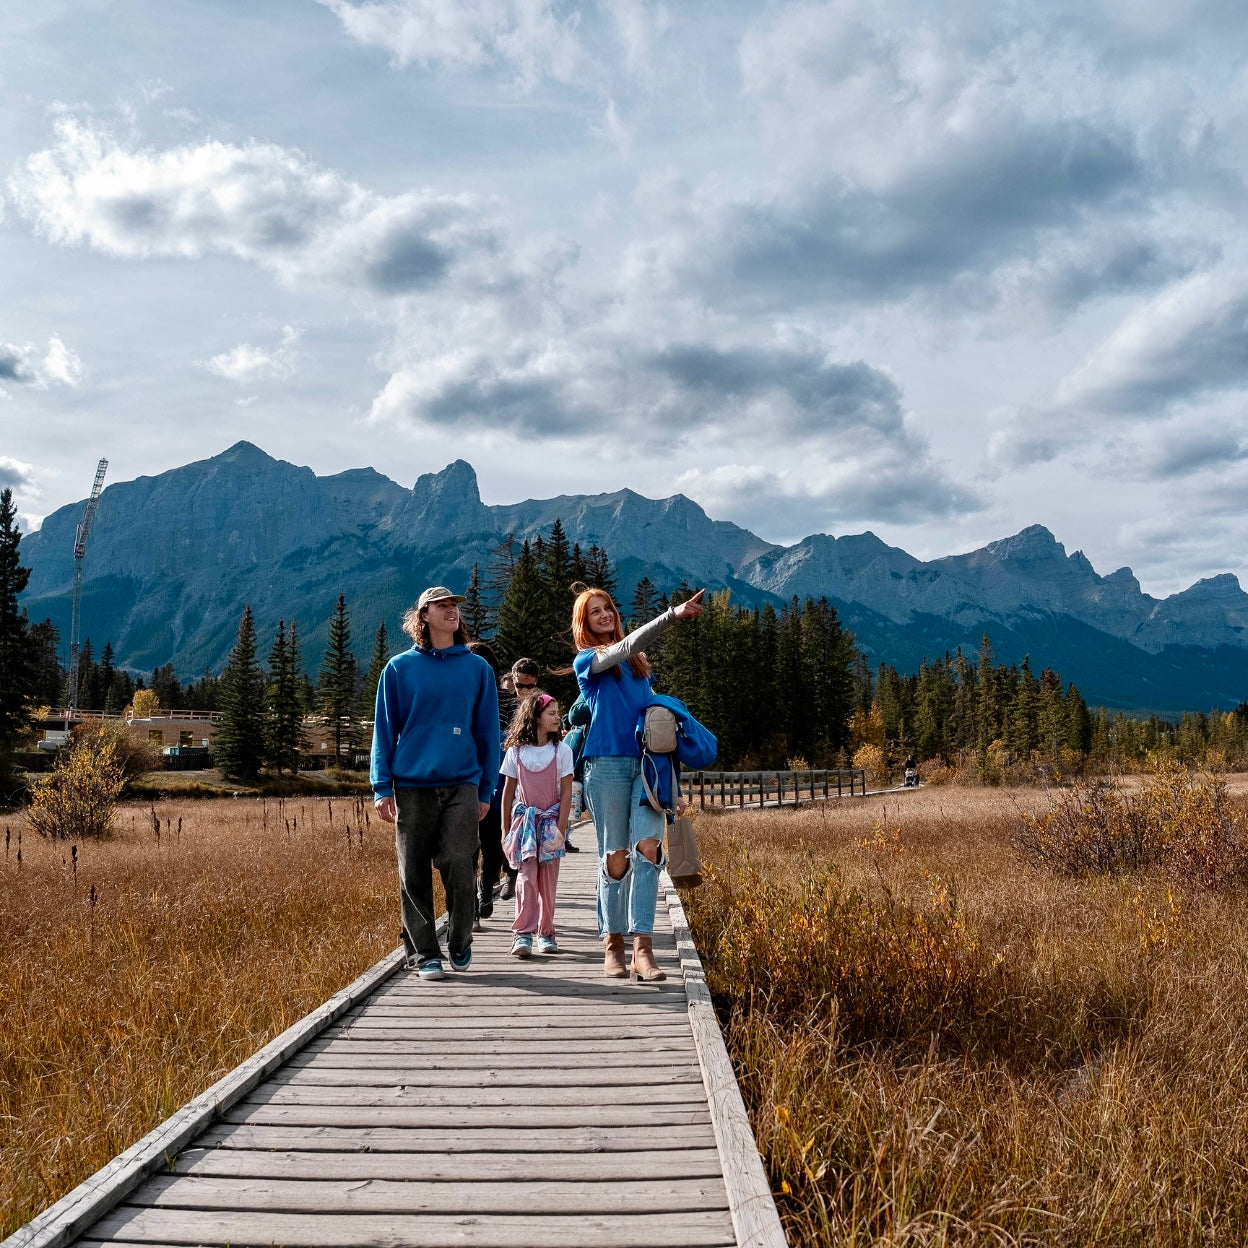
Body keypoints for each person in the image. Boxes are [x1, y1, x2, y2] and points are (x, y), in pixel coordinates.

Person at [573, 586, 705, 981]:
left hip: (648, 767)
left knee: (648, 850)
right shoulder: (588, 661)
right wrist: (671, 615)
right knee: (615, 856)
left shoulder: (640, 666)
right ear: (584, 622)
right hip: (607, 766)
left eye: (608, 608)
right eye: (594, 612)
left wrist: (675, 788)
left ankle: (642, 950)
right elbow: (624, 646)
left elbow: (658, 731)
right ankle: (612, 944)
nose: (604, 615)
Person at [371, 587, 500, 982]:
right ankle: (424, 953)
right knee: (412, 871)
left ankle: (460, 939)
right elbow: (384, 729)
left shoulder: (478, 669)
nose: (452, 611)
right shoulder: (398, 669)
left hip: (462, 782)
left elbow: (488, 733)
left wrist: (486, 790)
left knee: (462, 863)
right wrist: (381, 785)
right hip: (410, 786)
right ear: (423, 615)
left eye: (455, 605)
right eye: (443, 605)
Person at [500, 691, 573, 959]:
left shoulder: (562, 751)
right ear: (536, 717)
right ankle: (522, 933)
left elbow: (566, 793)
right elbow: (508, 793)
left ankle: (546, 932)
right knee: (526, 878)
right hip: (525, 824)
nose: (557, 718)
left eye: (557, 713)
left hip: (551, 823)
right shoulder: (516, 752)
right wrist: (505, 830)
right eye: (551, 713)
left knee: (548, 882)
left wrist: (561, 829)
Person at [466, 640, 506, 924]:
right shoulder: (459, 697)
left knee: (490, 844)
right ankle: (474, 902)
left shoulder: (504, 703)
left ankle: (484, 893)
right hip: (469, 781)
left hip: (495, 783)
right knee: (469, 846)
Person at [495, 657, 541, 898]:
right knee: (499, 822)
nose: (523, 690)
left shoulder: (540, 705)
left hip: (528, 772)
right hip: (501, 768)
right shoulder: (500, 700)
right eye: (519, 684)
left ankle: (511, 875)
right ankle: (495, 874)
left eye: (528, 686)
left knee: (520, 822)